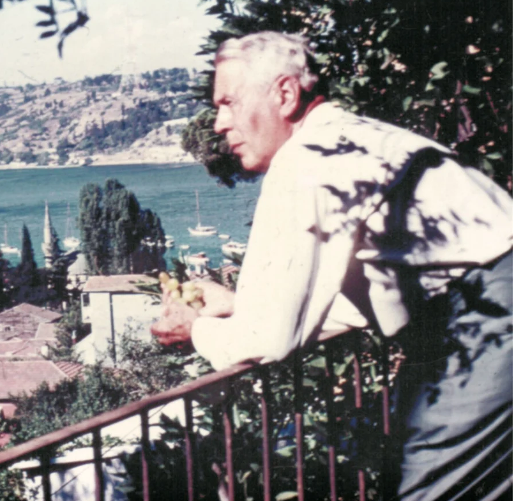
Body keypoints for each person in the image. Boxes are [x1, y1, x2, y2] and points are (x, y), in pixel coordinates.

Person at [151, 31, 512, 500]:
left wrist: (194, 329)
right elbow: (366, 289)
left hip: (483, 329)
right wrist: (240, 306)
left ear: (284, 94)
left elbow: (268, 341)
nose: (219, 123)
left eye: (229, 103)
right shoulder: (356, 138)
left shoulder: (306, 161)